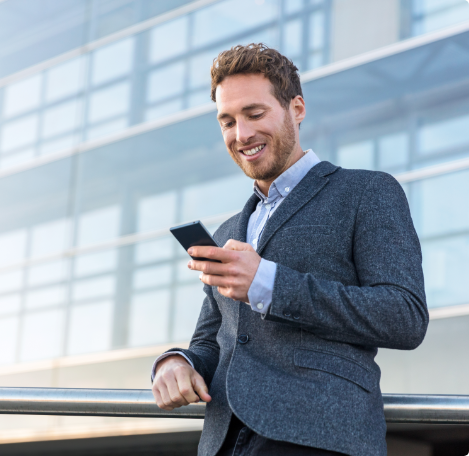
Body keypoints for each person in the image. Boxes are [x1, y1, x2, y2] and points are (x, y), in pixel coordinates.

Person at [150, 43, 428, 456]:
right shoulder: (230, 230)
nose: (241, 135)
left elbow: (405, 316)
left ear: (296, 108)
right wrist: (178, 362)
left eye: (255, 114)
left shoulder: (367, 192)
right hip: (224, 440)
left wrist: (269, 283)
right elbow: (213, 341)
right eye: (227, 121)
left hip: (320, 436)